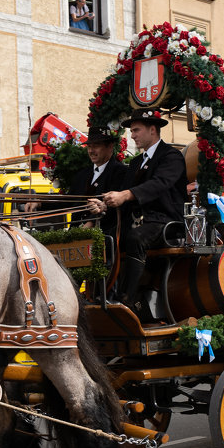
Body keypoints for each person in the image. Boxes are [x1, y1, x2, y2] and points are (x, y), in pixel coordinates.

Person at [101, 108, 187, 308]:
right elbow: (124, 191)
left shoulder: (171, 156)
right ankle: (101, 296)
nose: (132, 135)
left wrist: (125, 195)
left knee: (135, 238)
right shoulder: (137, 162)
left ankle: (128, 300)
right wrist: (104, 203)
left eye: (136, 130)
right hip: (139, 221)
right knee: (104, 239)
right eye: (131, 131)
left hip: (165, 221)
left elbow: (159, 184)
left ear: (153, 130)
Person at [69, 126, 128, 235]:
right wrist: (39, 204)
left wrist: (91, 223)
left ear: (110, 147)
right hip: (76, 234)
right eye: (89, 146)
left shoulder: (121, 172)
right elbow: (67, 201)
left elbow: (117, 208)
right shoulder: (82, 174)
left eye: (96, 146)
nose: (91, 151)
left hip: (105, 235)